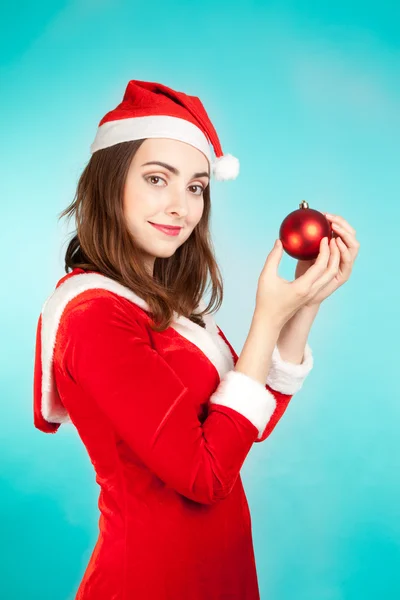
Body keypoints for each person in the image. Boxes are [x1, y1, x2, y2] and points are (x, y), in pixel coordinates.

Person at [33, 79, 356, 599]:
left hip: (219, 576)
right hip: (151, 581)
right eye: (157, 178)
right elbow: (206, 476)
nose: (180, 206)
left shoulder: (169, 312)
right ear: (109, 181)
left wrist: (303, 302)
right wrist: (265, 320)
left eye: (196, 186)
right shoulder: (93, 316)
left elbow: (243, 427)